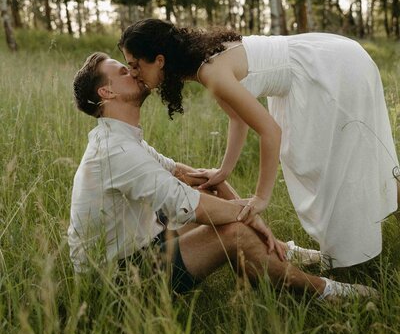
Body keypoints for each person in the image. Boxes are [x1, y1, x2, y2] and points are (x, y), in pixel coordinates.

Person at [67, 52, 378, 302]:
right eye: (123, 71)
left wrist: (220, 185)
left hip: (147, 244)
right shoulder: (117, 152)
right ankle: (321, 291)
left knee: (211, 188)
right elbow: (188, 206)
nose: (133, 71)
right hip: (119, 280)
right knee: (235, 232)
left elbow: (183, 175)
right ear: (106, 92)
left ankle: (273, 261)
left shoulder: (124, 139)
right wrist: (250, 215)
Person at [118, 19, 400, 270]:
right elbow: (237, 119)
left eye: (134, 65)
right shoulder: (202, 63)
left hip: (327, 69)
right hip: (319, 65)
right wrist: (224, 172)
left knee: (336, 163)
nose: (132, 74)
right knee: (337, 160)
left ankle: (351, 258)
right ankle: (347, 251)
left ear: (159, 60)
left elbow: (270, 132)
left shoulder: (210, 71)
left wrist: (260, 198)